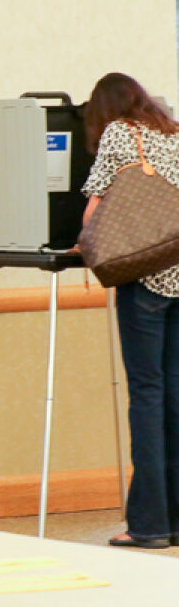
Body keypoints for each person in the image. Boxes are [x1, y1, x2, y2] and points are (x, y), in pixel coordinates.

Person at [81, 72, 179, 550]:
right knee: (176, 397)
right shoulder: (174, 132)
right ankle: (175, 520)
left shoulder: (120, 133)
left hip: (145, 281)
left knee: (146, 396)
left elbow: (95, 212)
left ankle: (148, 524)